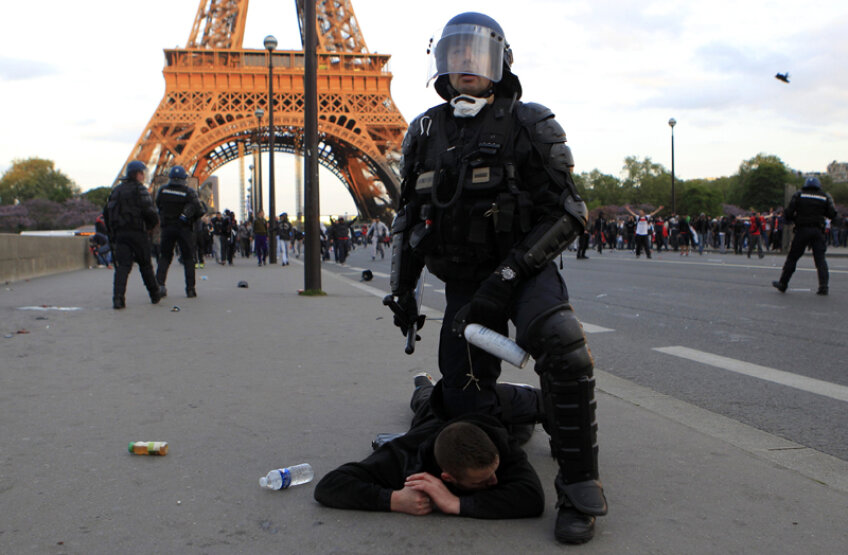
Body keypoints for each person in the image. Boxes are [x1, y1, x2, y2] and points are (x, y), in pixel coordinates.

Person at [385, 12, 606, 544]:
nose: (465, 64)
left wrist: (508, 274)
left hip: (524, 271)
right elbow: (409, 219)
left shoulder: (530, 123)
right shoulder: (424, 131)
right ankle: (515, 405)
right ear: (442, 62)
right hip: (463, 280)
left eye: (475, 54)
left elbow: (569, 212)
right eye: (455, 54)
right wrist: (403, 289)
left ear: (499, 63)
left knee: (563, 345)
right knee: (464, 401)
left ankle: (579, 488)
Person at [314, 377, 545, 519]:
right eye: (481, 481)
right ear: (447, 476)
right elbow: (329, 485)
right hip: (434, 411)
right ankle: (424, 382)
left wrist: (457, 504)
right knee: (423, 398)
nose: (495, 481)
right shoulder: (406, 456)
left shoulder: (499, 444)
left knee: (527, 424)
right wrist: (394, 499)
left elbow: (533, 499)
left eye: (494, 471)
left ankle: (518, 389)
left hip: (494, 407)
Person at [103, 161, 162, 309]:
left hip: (121, 234)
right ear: (137, 174)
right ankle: (155, 294)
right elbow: (151, 213)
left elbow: (107, 213)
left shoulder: (117, 191)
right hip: (138, 232)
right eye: (142, 173)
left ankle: (118, 299)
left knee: (123, 267)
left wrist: (113, 232)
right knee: (145, 265)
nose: (143, 176)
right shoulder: (140, 190)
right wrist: (149, 227)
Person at [773, 177, 837, 295]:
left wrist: (794, 219)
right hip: (817, 230)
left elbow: (789, 212)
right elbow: (832, 214)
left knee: (793, 258)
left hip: (802, 230)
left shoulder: (799, 195)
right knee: (820, 260)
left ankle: (783, 284)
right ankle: (823, 287)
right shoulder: (824, 196)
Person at [154, 166, 204, 298]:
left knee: (164, 257)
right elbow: (199, 211)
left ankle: (159, 285)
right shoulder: (189, 192)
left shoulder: (163, 190)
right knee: (188, 259)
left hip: (167, 228)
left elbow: (158, 206)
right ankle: (190, 289)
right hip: (184, 229)